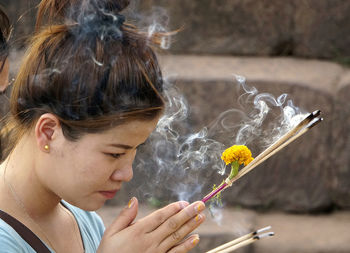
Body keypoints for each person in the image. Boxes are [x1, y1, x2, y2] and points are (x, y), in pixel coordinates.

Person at [0, 0, 206, 252]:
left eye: (135, 150)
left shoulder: (83, 219)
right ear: (48, 132)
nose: (126, 173)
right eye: (115, 153)